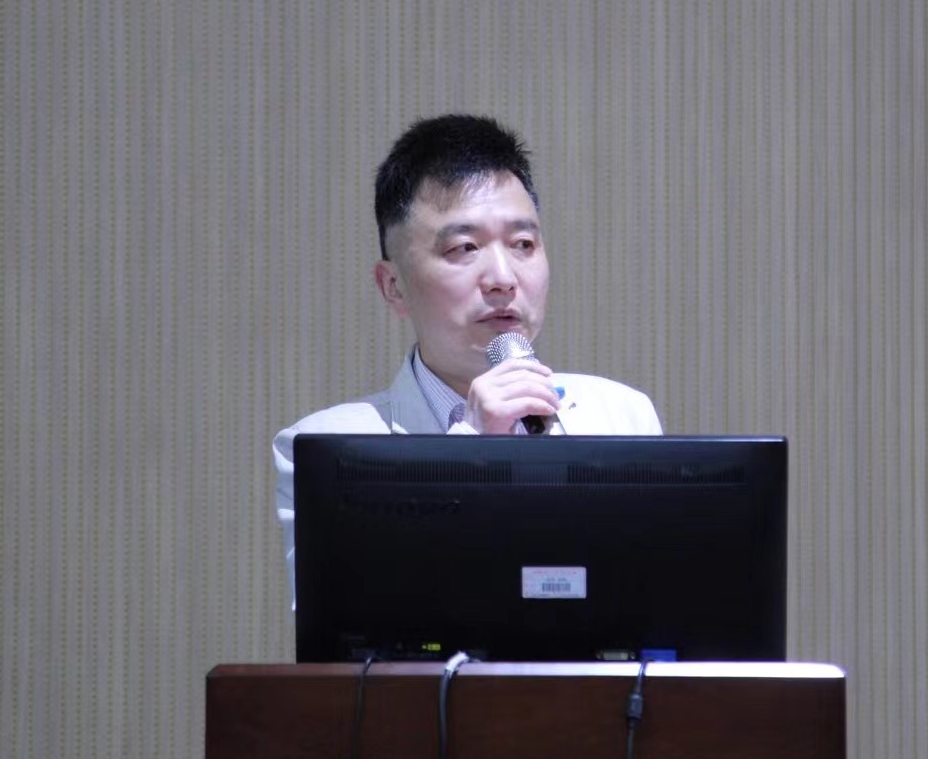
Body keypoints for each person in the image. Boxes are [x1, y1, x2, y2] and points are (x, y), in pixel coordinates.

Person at [273, 114, 662, 597]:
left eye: (523, 244)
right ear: (393, 286)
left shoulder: (622, 417)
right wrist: (469, 450)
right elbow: (345, 619)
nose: (503, 278)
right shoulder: (326, 451)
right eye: (464, 247)